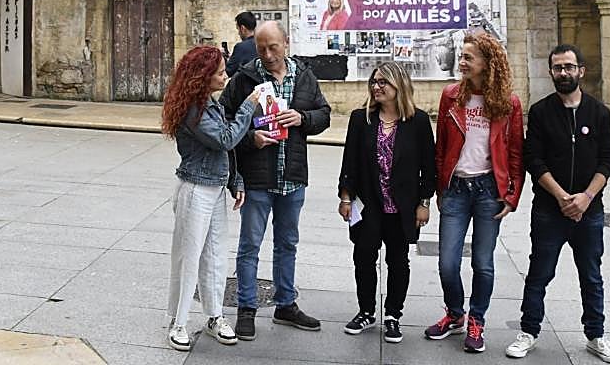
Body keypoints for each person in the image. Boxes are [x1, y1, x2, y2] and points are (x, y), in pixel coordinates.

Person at [506, 44, 610, 364]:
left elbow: (608, 160)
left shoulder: (599, 112)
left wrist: (585, 197)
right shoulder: (541, 111)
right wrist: (561, 196)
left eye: (569, 67)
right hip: (549, 211)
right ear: (551, 72)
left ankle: (596, 335)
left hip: (589, 211)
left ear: (581, 71)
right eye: (557, 68)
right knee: (539, 273)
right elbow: (534, 159)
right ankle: (528, 331)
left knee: (591, 275)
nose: (563, 73)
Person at [220, 20, 331, 341]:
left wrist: (302, 118)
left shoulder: (305, 76)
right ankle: (246, 308)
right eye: (261, 48)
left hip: (293, 178)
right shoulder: (244, 79)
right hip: (258, 179)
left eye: (273, 47)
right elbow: (224, 125)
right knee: (249, 246)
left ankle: (285, 304)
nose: (267, 55)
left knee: (287, 244)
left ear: (286, 42)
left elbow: (324, 114)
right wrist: (250, 138)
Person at [425, 31, 524, 354]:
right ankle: (455, 313)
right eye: (462, 56)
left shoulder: (508, 104)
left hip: (488, 191)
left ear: (488, 63)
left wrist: (512, 196)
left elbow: (515, 154)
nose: (462, 62)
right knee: (447, 264)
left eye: (469, 57)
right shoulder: (451, 95)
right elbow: (441, 147)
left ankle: (476, 320)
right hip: (455, 189)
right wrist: (440, 187)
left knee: (483, 263)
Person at [162, 46, 263, 352]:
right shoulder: (194, 109)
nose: (225, 76)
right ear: (203, 76)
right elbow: (225, 139)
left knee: (215, 257)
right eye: (220, 72)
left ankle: (214, 315)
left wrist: (236, 180)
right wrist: (248, 107)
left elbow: (224, 149)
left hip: (215, 187)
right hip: (195, 188)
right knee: (188, 257)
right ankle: (177, 322)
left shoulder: (210, 104)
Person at [337, 62, 436, 344]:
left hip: (402, 207)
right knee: (363, 258)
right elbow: (350, 163)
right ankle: (366, 311)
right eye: (374, 81)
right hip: (369, 204)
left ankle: (393, 315)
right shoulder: (361, 119)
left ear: (399, 87)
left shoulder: (417, 122)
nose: (376, 87)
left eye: (383, 82)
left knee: (398, 261)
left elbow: (428, 168)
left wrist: (424, 202)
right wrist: (345, 196)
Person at [225, 12, 258, 77]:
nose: (238, 33)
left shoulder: (241, 47)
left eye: (238, 29)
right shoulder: (262, 43)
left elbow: (229, 71)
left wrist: (222, 59)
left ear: (242, 28)